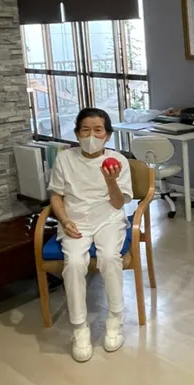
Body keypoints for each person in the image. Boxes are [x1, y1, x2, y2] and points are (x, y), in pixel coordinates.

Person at [49, 108, 133, 362]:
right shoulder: (64, 159)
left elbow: (118, 204)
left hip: (108, 219)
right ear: (77, 133)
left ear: (108, 135)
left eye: (98, 130)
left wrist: (111, 181)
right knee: (74, 263)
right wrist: (64, 220)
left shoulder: (118, 161)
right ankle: (80, 328)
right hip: (74, 221)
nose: (91, 136)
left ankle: (115, 319)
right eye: (85, 130)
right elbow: (56, 195)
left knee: (109, 258)